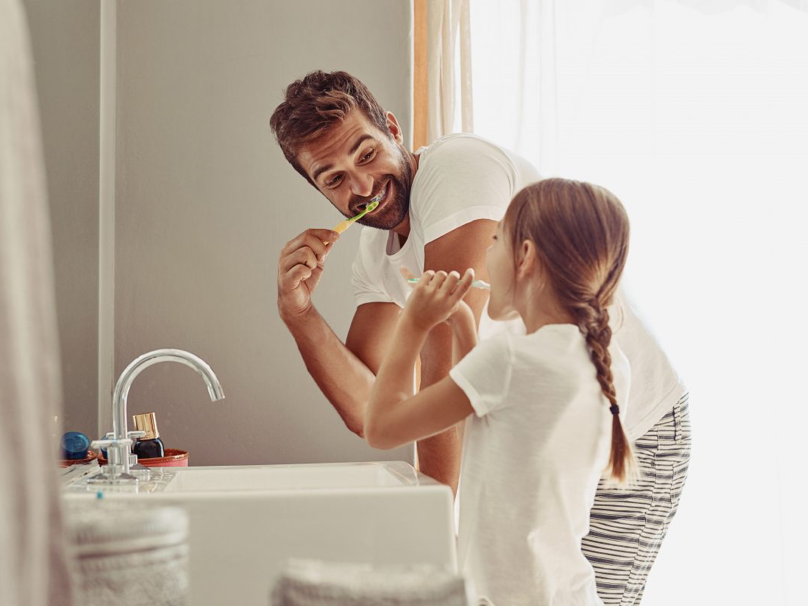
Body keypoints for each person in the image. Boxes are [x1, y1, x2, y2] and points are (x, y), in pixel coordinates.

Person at [270, 70, 690, 604]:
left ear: (393, 129)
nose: (362, 187)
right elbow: (368, 406)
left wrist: (436, 542)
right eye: (333, 178)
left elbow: (435, 367)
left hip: (632, 428)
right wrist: (298, 313)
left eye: (366, 153)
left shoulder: (455, 170)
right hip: (541, 441)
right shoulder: (376, 256)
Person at [365, 178, 632, 604]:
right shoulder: (607, 359)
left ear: (524, 256)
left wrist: (413, 324)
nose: (487, 254)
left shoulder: (510, 359)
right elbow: (495, 439)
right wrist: (464, 328)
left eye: (495, 240)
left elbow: (380, 428)